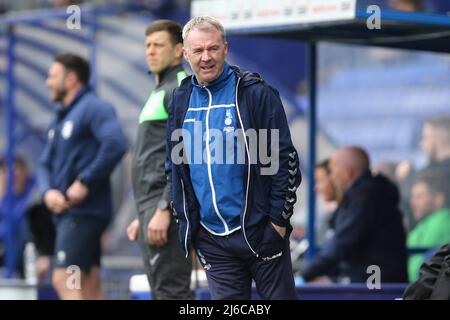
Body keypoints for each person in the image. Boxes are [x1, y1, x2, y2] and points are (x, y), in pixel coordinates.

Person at [166, 16, 302, 300]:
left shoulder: (255, 93)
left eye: (213, 48)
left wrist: (277, 223)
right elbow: (176, 167)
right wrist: (188, 227)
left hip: (261, 232)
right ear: (185, 53)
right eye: (199, 50)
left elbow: (283, 160)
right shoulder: (180, 99)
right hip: (212, 240)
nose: (206, 57)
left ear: (225, 48)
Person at [38, 53, 127, 300]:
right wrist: (47, 193)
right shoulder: (60, 117)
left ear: (71, 79)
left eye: (52, 76)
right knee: (87, 285)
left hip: (83, 213)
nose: (47, 82)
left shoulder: (93, 108)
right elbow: (44, 163)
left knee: (64, 279)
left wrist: (85, 180)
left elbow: (116, 143)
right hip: (70, 215)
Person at [126, 19, 193, 300]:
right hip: (150, 208)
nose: (150, 51)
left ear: (179, 51)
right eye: (148, 45)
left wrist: (165, 208)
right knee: (161, 292)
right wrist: (143, 213)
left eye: (159, 45)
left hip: (166, 208)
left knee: (172, 293)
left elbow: (186, 153)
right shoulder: (160, 90)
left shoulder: (180, 87)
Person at [302, 146, 408, 283]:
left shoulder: (365, 197)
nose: (331, 178)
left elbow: (342, 243)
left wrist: (303, 276)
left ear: (347, 173)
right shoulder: (366, 193)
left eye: (332, 172)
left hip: (375, 285)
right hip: (370, 281)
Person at [407, 172, 450, 282]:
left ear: (438, 199)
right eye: (413, 197)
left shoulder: (441, 223)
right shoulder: (424, 224)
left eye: (419, 197)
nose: (412, 202)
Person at [0, 156, 36, 276]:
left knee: (23, 225)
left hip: (29, 249)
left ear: (25, 171)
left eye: (17, 170)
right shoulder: (5, 196)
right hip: (6, 249)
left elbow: (16, 219)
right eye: (6, 172)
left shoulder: (34, 188)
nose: (13, 175)